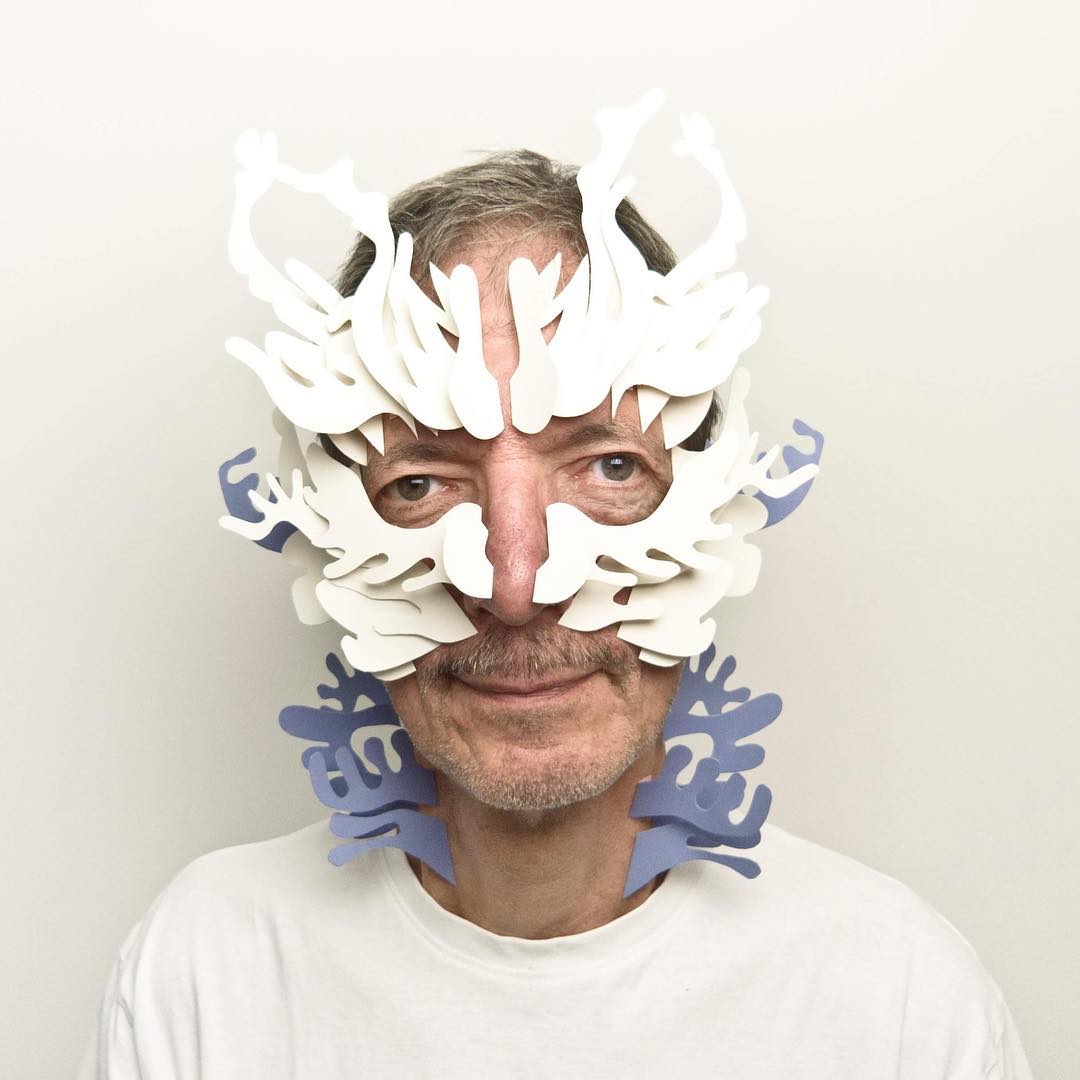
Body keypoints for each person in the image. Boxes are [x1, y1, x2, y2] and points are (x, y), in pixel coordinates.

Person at [79, 96, 1033, 1078]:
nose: (516, 583)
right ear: (324, 534)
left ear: (720, 506)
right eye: (422, 483)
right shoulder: (205, 977)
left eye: (609, 467)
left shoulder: (897, 1003)